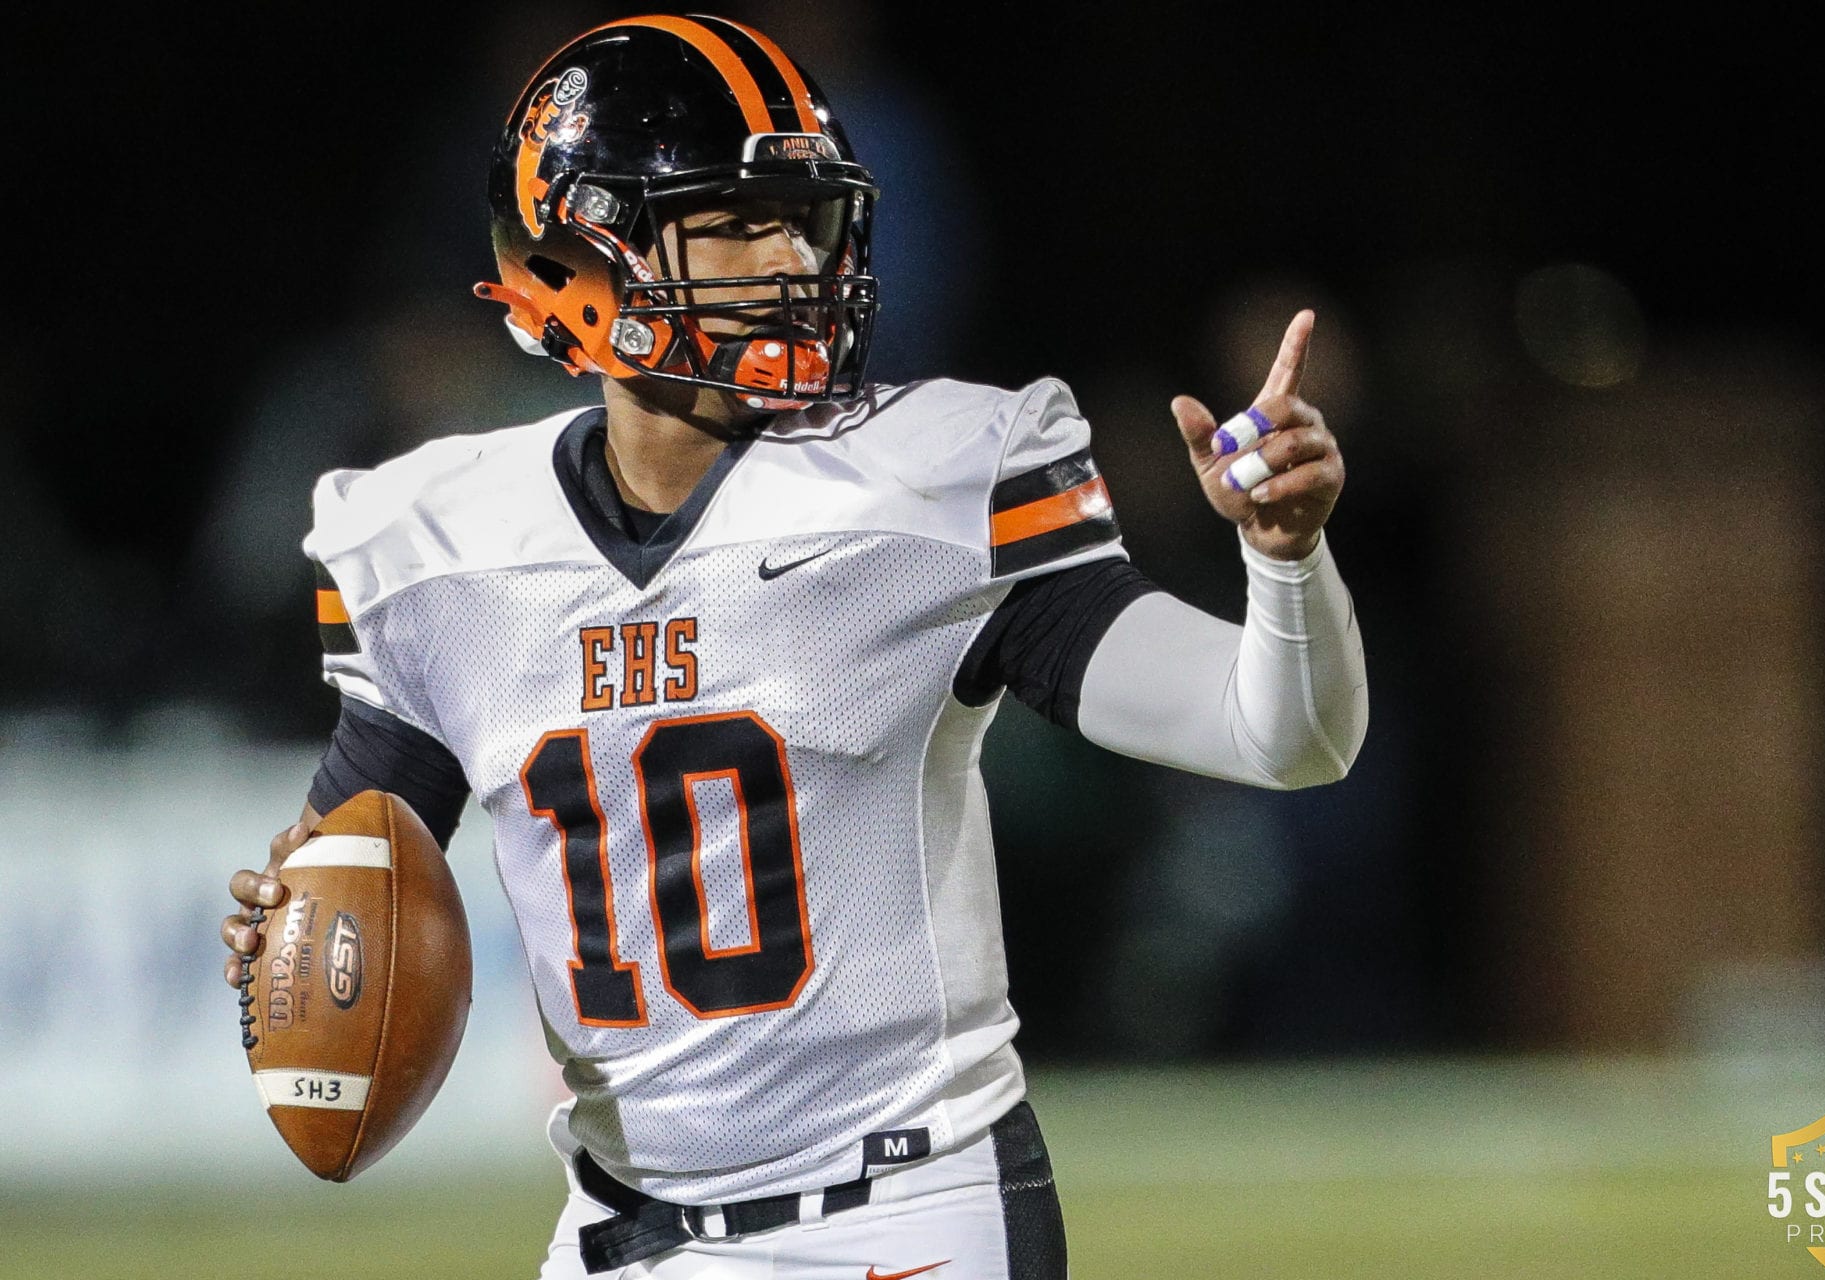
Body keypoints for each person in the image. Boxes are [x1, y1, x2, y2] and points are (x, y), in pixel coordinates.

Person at [219, 14, 1366, 1279]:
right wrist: (288, 923)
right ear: (578, 258)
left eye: (801, 221)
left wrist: (1286, 556)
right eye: (733, 222)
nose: (789, 260)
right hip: (619, 1235)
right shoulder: (445, 547)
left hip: (906, 1215)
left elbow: (1285, 734)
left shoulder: (921, 484)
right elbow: (347, 869)